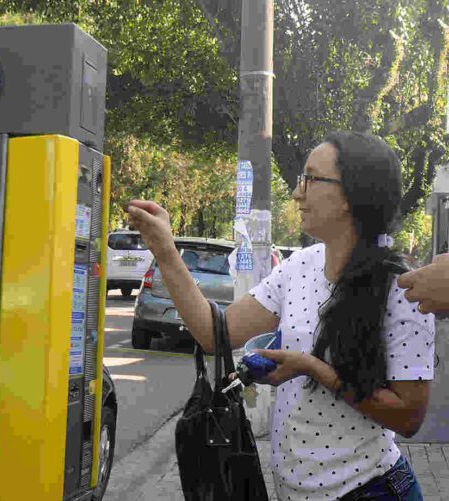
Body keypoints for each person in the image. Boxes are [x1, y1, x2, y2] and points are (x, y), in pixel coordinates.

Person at [127, 131, 434, 500]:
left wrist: (312, 367)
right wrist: (165, 250)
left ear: (353, 195)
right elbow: (214, 332)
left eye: (310, 178)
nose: (296, 192)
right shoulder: (299, 266)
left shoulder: (404, 288)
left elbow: (408, 417)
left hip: (371, 491)